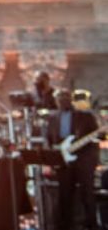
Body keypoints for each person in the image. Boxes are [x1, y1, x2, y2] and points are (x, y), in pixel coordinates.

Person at [46, 88, 103, 230]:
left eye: (64, 97)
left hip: (84, 160)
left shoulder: (86, 116)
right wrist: (53, 156)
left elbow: (97, 136)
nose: (61, 101)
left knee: (87, 195)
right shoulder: (53, 118)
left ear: (70, 99)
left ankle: (92, 225)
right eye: (58, 99)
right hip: (63, 160)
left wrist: (97, 139)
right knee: (64, 196)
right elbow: (49, 138)